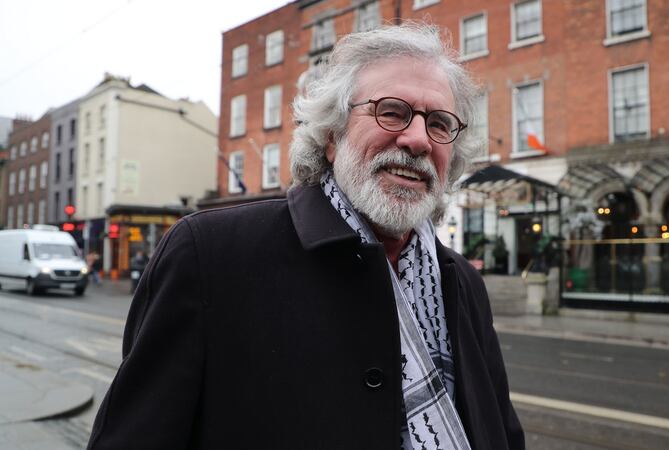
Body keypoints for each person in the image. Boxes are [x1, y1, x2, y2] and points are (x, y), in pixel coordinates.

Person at [88, 23, 523, 450]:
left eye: (440, 124)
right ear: (332, 134)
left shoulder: (462, 282)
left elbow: (501, 432)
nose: (417, 140)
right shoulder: (208, 253)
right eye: (392, 111)